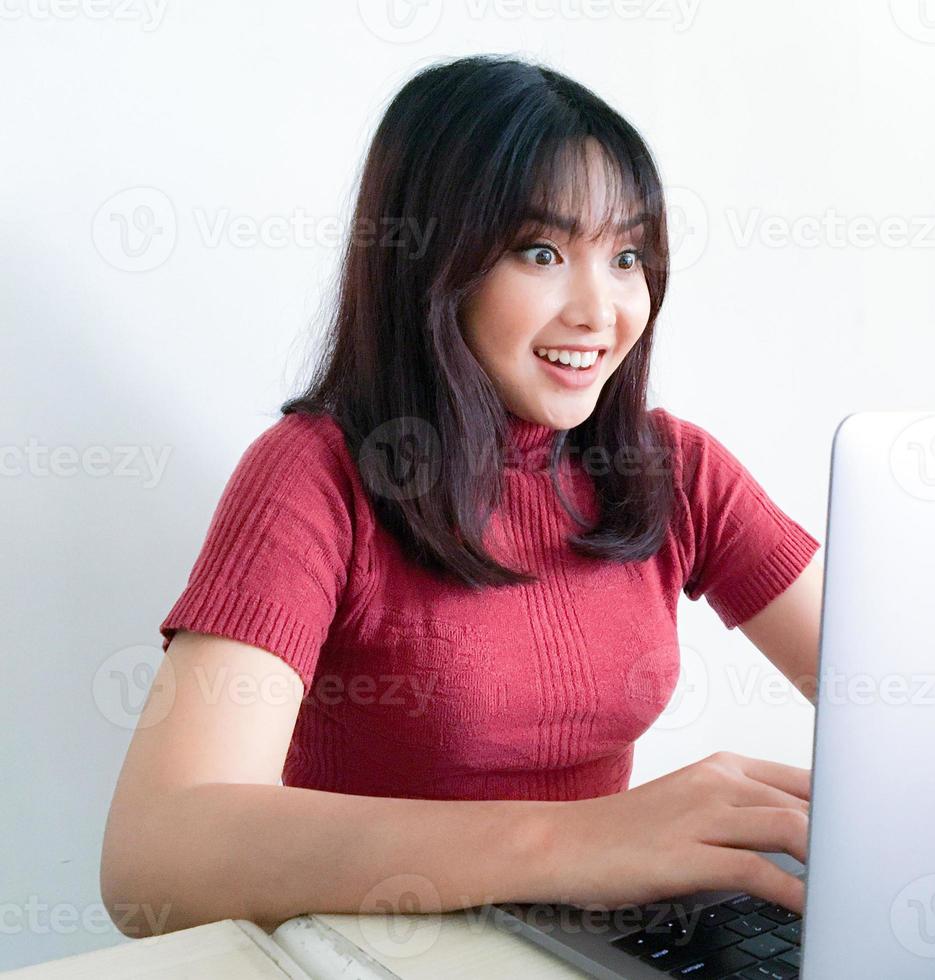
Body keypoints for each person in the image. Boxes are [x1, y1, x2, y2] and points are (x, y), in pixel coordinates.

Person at [100, 53, 824, 938]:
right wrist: (577, 842)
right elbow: (156, 857)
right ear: (433, 262)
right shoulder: (312, 475)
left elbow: (888, 696)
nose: (602, 310)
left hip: (587, 948)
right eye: (542, 250)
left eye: (628, 254)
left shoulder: (671, 467)